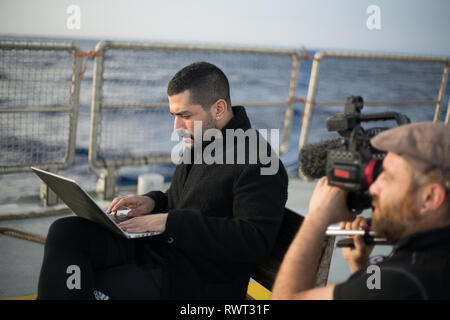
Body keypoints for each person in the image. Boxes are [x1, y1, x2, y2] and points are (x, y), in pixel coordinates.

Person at [37, 62, 288, 299]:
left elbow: (254, 242)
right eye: (174, 115)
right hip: (162, 251)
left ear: (219, 109)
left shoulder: (260, 161)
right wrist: (152, 202)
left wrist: (169, 222)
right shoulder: (204, 137)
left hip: (196, 281)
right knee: (67, 231)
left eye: (185, 115)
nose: (177, 127)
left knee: (90, 283)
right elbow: (185, 199)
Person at [271, 122, 450, 300]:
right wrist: (361, 265)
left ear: (431, 197)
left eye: (387, 178)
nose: (373, 189)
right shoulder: (430, 264)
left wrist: (317, 218)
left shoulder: (405, 280)